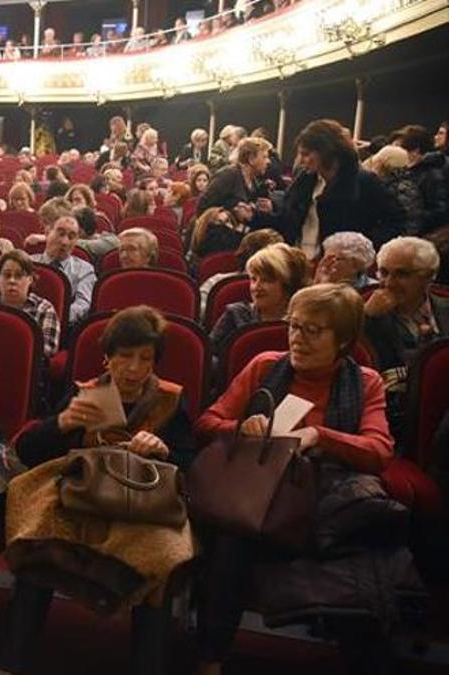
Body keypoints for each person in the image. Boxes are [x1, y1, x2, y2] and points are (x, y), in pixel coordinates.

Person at [194, 284, 400, 675]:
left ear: (343, 340)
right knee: (230, 543)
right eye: (294, 327)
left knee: (367, 564)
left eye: (313, 331)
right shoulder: (265, 365)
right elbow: (208, 422)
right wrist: (242, 426)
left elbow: (378, 451)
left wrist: (321, 436)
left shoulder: (366, 381)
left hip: (327, 502)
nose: (297, 340)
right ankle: (209, 661)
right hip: (262, 496)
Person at [0, 306, 196, 675]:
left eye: (145, 359)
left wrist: (163, 448)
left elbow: (189, 460)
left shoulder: (171, 399)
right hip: (84, 497)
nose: (135, 369)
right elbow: (29, 451)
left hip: (143, 505)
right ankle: (13, 661)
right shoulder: (86, 394)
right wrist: (61, 423)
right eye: (125, 357)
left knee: (163, 559)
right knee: (40, 540)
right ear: (108, 358)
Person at [282, 119, 406, 257]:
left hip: (340, 267)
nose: (300, 160)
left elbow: (396, 220)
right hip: (300, 261)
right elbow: (287, 219)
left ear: (325, 152)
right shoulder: (303, 180)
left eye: (305, 154)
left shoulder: (365, 182)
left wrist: (359, 248)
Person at [363, 236, 448, 435]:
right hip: (396, 415)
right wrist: (367, 317)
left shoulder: (445, 308)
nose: (389, 283)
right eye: (384, 272)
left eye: (402, 274)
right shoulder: (363, 313)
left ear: (429, 276)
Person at [210, 242, 309, 356]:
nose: (256, 287)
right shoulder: (236, 313)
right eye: (253, 279)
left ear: (287, 285)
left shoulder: (300, 323)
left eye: (266, 280)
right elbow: (210, 357)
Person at [0, 249, 61, 357]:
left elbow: (48, 349)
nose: (12, 280)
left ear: (30, 279)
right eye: (7, 275)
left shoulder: (44, 309)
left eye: (19, 276)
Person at [198, 137, 276, 229]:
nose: (268, 161)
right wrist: (225, 215)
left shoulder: (254, 181)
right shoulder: (227, 176)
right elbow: (202, 206)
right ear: (251, 159)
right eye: (264, 157)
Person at [31, 215, 96, 325]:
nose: (65, 242)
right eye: (60, 234)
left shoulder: (85, 270)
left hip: (63, 326)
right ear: (47, 232)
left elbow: (82, 305)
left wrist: (51, 319)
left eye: (71, 237)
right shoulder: (28, 263)